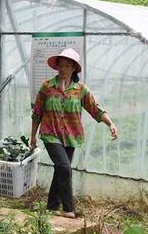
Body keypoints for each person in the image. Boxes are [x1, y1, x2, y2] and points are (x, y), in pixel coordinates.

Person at [30, 48, 118, 218]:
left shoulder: (80, 90)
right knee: (64, 167)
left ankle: (52, 206)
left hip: (72, 136)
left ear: (73, 69)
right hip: (50, 133)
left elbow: (95, 109)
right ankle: (69, 209)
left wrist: (111, 124)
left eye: (67, 66)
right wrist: (33, 136)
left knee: (61, 169)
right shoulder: (47, 87)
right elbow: (37, 113)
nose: (62, 69)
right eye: (60, 65)